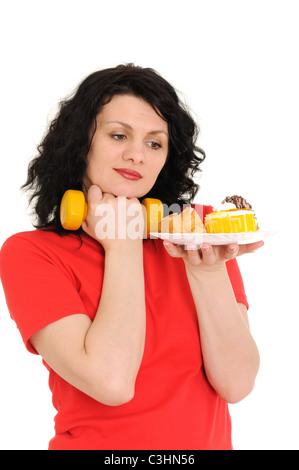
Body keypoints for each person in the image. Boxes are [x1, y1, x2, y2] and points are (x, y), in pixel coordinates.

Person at [0, 64, 262, 450]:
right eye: (119, 135)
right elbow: (111, 383)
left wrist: (206, 274)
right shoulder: (32, 254)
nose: (137, 154)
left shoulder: (197, 233)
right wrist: (122, 248)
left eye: (155, 143)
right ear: (80, 142)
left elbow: (237, 385)